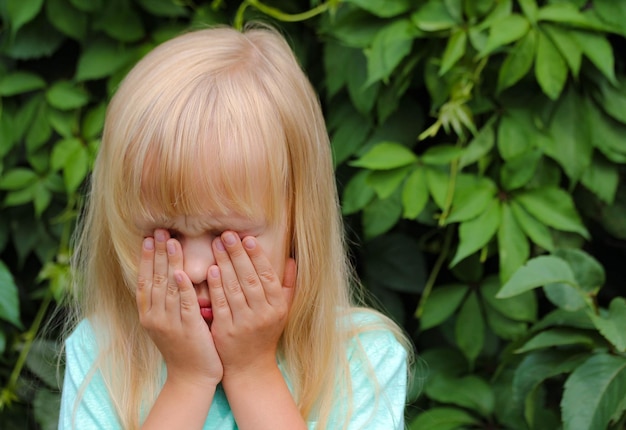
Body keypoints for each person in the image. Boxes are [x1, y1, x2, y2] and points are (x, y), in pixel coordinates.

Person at [59, 24, 411, 430]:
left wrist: (253, 372)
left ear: (298, 223)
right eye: (165, 235)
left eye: (225, 237)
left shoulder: (362, 360)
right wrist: (187, 381)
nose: (190, 270)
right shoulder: (103, 356)